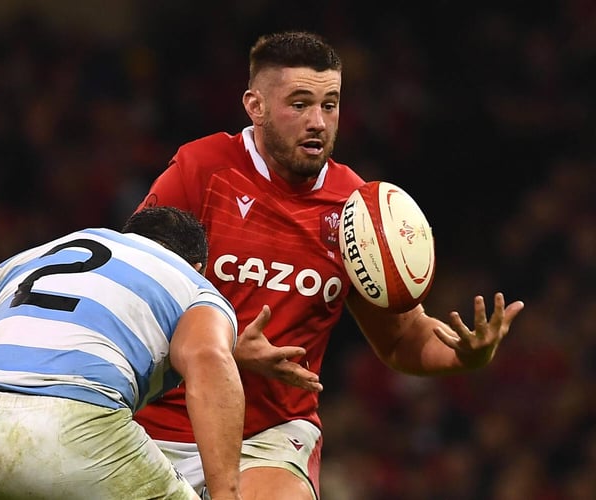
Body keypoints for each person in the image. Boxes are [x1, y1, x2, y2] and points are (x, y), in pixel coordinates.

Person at [133, 31, 525, 499]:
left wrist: (465, 355)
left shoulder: (359, 212)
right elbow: (131, 295)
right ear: (255, 106)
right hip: (160, 419)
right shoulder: (201, 169)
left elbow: (401, 338)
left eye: (330, 104)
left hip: (269, 436)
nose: (318, 122)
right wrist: (225, 349)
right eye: (299, 104)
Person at [0, 207, 245, 500]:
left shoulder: (23, 261)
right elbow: (209, 360)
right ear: (199, 266)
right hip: (78, 425)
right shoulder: (194, 285)